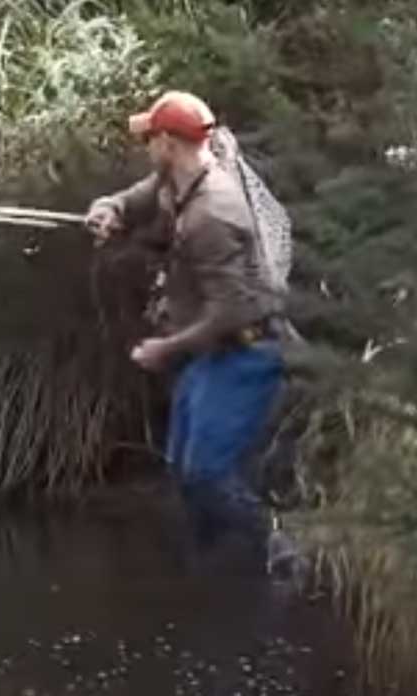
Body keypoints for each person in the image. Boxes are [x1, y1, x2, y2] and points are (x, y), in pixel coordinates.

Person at [84, 90, 292, 572]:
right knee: (182, 467)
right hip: (213, 353)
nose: (145, 147)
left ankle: (278, 544)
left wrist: (166, 348)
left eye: (150, 138)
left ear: (169, 144)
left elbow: (229, 310)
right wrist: (110, 209)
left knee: (206, 473)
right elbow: (136, 197)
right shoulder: (176, 177)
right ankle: (219, 570)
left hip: (246, 353)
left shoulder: (211, 214)